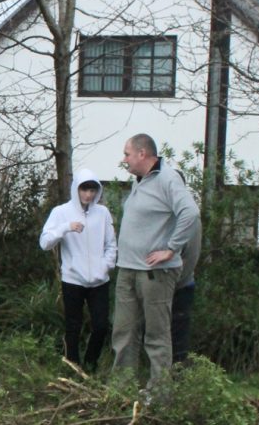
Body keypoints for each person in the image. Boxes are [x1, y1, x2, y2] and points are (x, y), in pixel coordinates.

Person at [110, 134, 200, 384]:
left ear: (142, 154)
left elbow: (190, 213)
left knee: (156, 335)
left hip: (155, 273)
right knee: (123, 332)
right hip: (127, 268)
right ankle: (122, 388)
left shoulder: (167, 178)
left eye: (127, 154)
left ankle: (159, 392)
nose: (124, 159)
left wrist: (171, 249)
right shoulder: (139, 181)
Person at [39, 168, 118, 370]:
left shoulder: (102, 213)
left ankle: (90, 365)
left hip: (99, 281)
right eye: (84, 190)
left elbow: (111, 244)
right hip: (73, 279)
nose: (88, 195)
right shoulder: (61, 212)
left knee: (101, 326)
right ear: (76, 189)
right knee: (73, 327)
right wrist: (66, 227)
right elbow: (45, 243)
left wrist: (105, 266)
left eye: (92, 190)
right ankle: (72, 367)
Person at [172, 206, 203, 364]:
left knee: (179, 336)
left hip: (182, 285)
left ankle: (177, 373)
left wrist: (174, 280)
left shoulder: (190, 217)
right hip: (157, 285)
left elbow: (192, 255)